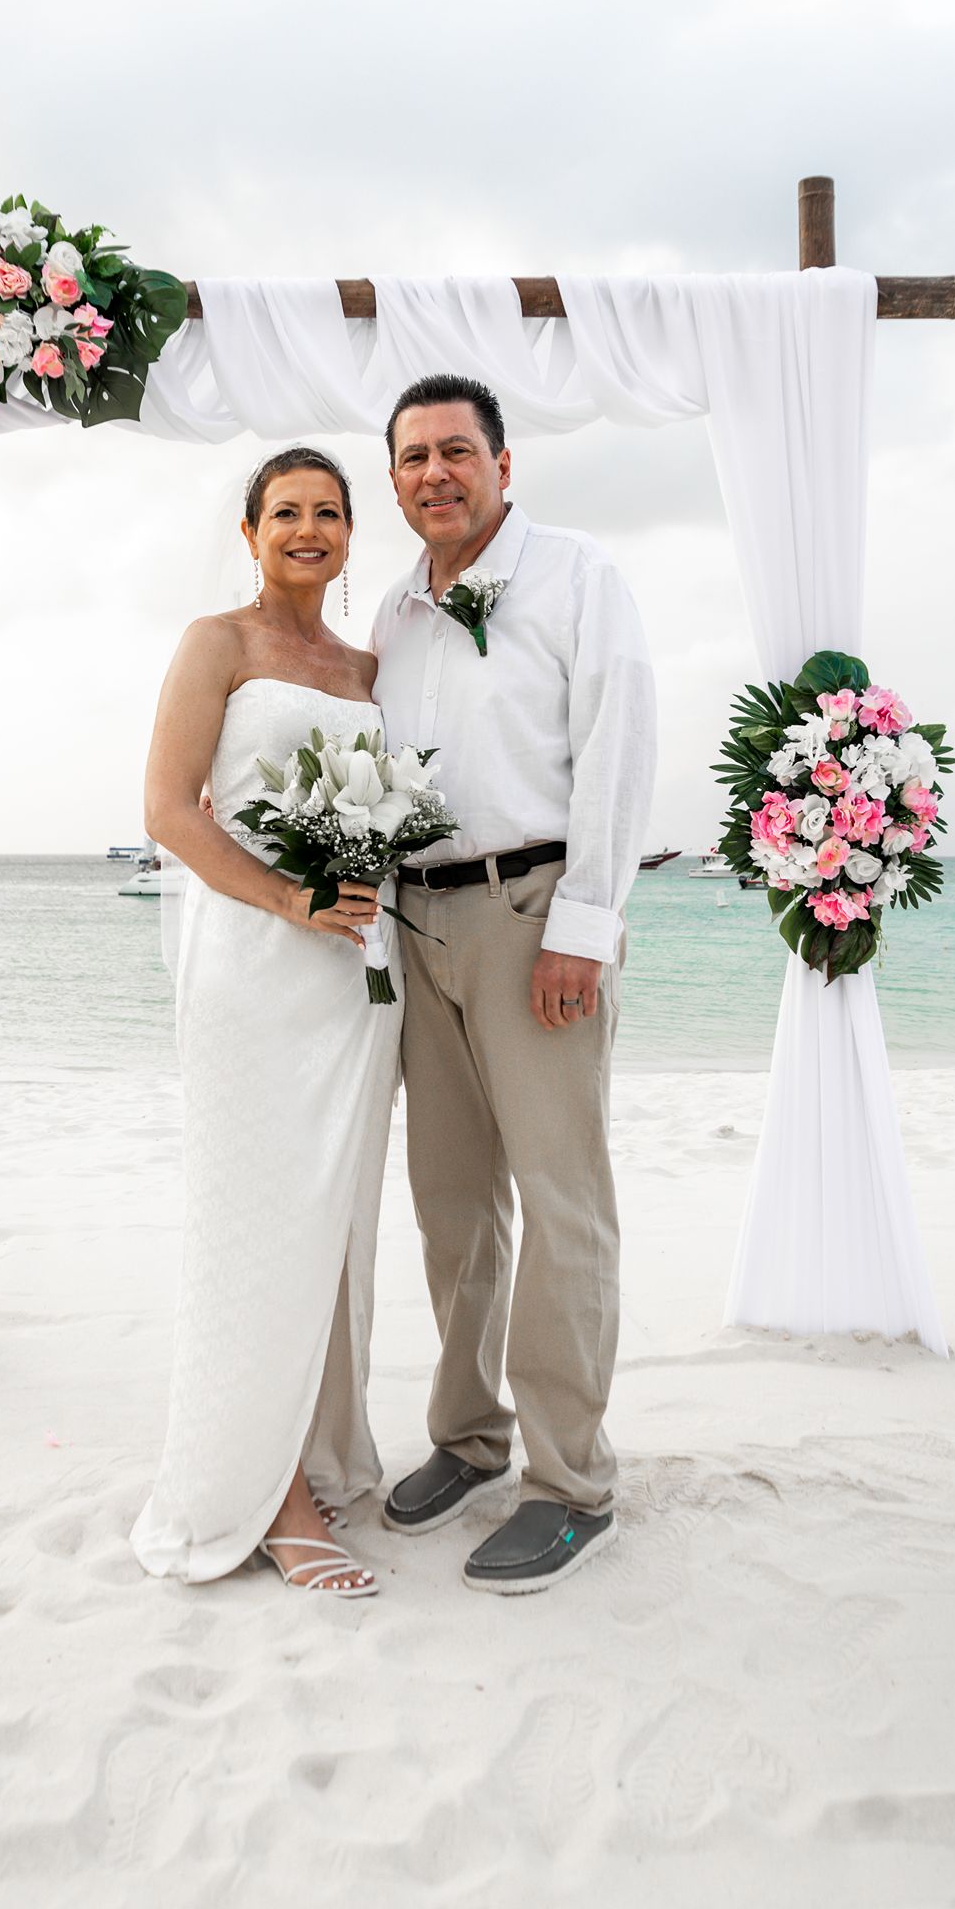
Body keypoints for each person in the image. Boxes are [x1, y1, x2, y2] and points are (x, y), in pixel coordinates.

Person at [372, 373, 657, 1595]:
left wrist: (584, 925)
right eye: (409, 458)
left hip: (534, 911)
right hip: (415, 922)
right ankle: (469, 1437)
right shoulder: (388, 608)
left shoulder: (578, 575)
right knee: (451, 1208)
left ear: (501, 462)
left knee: (560, 1203)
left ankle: (570, 1481)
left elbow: (617, 744)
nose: (432, 473)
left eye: (454, 451)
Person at [130, 447, 400, 1599]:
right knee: (255, 1219)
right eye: (283, 512)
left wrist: (359, 882)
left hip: (348, 977)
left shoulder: (366, 664)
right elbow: (165, 812)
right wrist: (290, 897)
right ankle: (271, 1494)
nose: (306, 528)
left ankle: (321, 1448)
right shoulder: (217, 643)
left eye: (327, 512)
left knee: (332, 1224)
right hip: (250, 960)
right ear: (249, 533)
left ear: (349, 536)